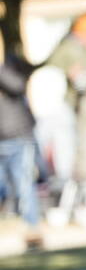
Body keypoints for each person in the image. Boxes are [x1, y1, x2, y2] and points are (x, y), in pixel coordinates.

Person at [0, 55, 42, 247]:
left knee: (24, 184)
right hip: (5, 139)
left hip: (17, 137)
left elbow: (18, 86)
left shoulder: (8, 72)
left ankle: (32, 228)